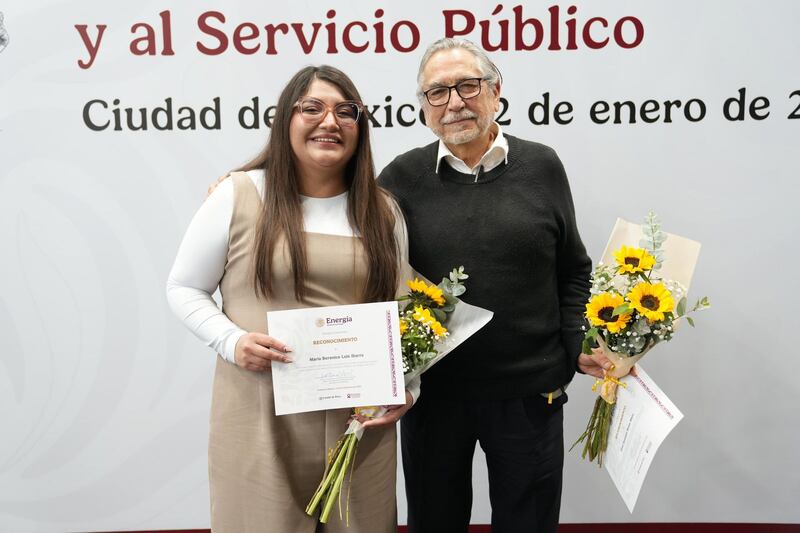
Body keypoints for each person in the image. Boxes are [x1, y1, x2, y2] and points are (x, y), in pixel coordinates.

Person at [166, 65, 418, 533]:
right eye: (312, 108)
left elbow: (402, 312)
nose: (330, 121)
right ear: (285, 120)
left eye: (347, 112)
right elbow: (184, 288)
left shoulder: (384, 212)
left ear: (361, 128)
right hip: (258, 416)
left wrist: (409, 385)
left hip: (358, 427)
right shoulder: (238, 195)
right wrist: (230, 341)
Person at [377, 38, 609, 533]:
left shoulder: (542, 166)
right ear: (423, 109)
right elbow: (363, 261)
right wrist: (247, 181)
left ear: (496, 92)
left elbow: (573, 269)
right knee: (434, 522)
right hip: (434, 398)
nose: (454, 102)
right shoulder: (399, 178)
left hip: (530, 395)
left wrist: (577, 346)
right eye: (437, 92)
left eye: (468, 85)